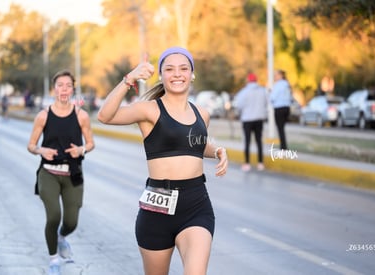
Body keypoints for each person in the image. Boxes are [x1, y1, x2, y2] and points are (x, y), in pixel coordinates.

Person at [97, 47, 228, 275]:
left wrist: (216, 150)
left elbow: (193, 145)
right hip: (157, 211)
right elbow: (105, 116)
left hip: (196, 204)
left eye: (183, 69)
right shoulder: (149, 110)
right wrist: (130, 78)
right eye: (169, 69)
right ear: (162, 75)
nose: (177, 74)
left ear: (192, 74)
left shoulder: (202, 114)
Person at [27, 70, 95, 275]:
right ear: (54, 89)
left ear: (73, 89)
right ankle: (54, 260)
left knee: (71, 222)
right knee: (54, 216)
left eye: (68, 85)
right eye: (60, 85)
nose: (63, 89)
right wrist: (41, 150)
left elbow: (91, 143)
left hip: (72, 174)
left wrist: (81, 149)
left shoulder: (81, 116)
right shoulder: (43, 115)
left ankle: (62, 237)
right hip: (48, 173)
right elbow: (31, 145)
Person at [234, 73, 268, 172]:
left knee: (247, 141)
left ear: (248, 81)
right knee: (259, 141)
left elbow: (239, 106)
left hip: (247, 119)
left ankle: (247, 163)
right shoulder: (262, 91)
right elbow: (266, 102)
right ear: (256, 80)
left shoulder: (243, 92)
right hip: (259, 119)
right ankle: (260, 163)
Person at [269, 69, 292, 150]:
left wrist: (270, 93)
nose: (274, 77)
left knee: (280, 128)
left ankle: (283, 146)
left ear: (281, 75)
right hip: (287, 108)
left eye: (276, 75)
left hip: (279, 108)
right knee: (282, 128)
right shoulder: (287, 84)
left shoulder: (278, 85)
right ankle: (283, 145)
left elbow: (272, 97)